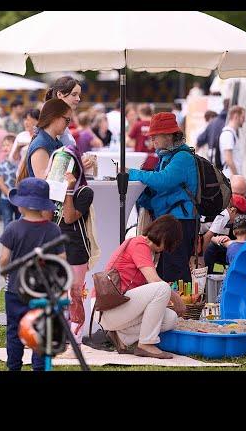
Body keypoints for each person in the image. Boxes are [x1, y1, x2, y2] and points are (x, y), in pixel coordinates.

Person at [0, 177, 65, 371]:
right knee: (41, 331)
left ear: (21, 206)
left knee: (14, 331)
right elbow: (61, 259)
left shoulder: (12, 228)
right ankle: (39, 367)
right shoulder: (53, 230)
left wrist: (5, 273)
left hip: (15, 290)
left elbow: (4, 259)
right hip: (42, 292)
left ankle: (14, 366)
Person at [98, 215, 186, 359]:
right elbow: (154, 281)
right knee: (162, 287)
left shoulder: (144, 248)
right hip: (108, 309)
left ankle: (121, 337)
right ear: (164, 237)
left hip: (117, 308)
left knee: (170, 318)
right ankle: (146, 344)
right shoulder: (139, 244)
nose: (165, 249)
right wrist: (176, 298)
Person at [128, 112, 199, 283]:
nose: (152, 141)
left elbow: (163, 181)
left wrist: (132, 173)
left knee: (174, 271)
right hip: (172, 220)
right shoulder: (167, 156)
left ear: (168, 135)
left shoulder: (182, 157)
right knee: (167, 270)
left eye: (155, 137)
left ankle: (180, 308)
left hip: (181, 221)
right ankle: (173, 307)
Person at [58, 146, 95, 344]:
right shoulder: (55, 187)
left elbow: (70, 216)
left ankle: (76, 335)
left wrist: (69, 190)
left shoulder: (85, 191)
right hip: (57, 247)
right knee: (59, 291)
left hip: (76, 248)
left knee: (75, 292)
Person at [20, 98, 71, 180]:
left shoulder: (55, 142)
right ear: (54, 117)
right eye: (67, 120)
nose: (68, 124)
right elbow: (43, 183)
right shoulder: (41, 145)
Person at [211, 214, 246, 302]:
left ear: (234, 232)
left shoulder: (230, 244)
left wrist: (221, 238)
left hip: (232, 283)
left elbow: (213, 239)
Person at [203, 194, 246, 273]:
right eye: (239, 216)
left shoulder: (228, 215)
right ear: (234, 210)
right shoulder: (224, 215)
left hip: (220, 252)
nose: (240, 220)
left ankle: (223, 270)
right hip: (207, 249)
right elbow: (207, 236)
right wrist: (203, 261)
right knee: (211, 250)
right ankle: (214, 269)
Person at [43, 76, 82, 148]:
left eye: (79, 95)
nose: (78, 99)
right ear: (59, 95)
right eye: (74, 94)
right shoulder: (51, 120)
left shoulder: (62, 118)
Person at [0, 135, 21, 228]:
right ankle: (7, 241)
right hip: (6, 198)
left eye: (8, 145)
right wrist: (8, 193)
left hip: (19, 198)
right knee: (7, 220)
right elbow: (0, 182)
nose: (5, 147)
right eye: (3, 145)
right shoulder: (1, 165)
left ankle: (19, 241)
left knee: (20, 221)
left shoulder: (20, 163)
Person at [196, 99, 230, 166]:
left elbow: (200, 140)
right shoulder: (227, 122)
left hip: (212, 157)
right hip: (223, 160)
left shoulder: (213, 123)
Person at [127, 104, 158, 170]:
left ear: (140, 113)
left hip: (139, 159)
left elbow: (127, 141)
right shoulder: (156, 124)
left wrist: (136, 143)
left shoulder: (138, 124)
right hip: (154, 159)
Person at [219, 105, 246, 179]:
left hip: (231, 176)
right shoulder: (228, 134)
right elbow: (228, 159)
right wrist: (237, 177)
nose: (244, 120)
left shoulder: (231, 133)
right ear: (236, 116)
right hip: (231, 177)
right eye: (243, 117)